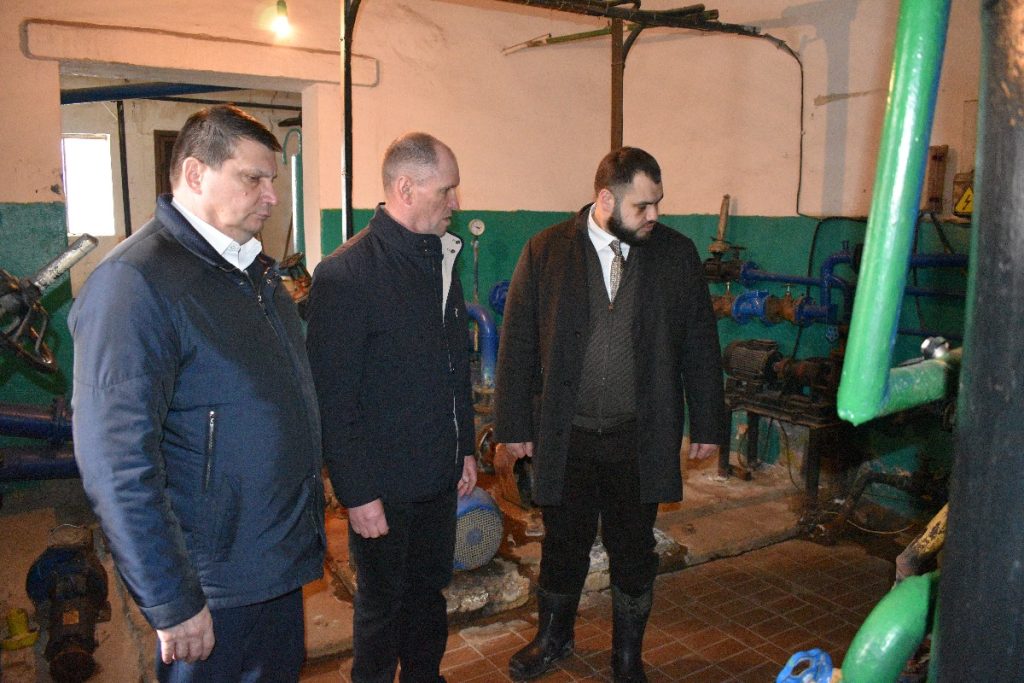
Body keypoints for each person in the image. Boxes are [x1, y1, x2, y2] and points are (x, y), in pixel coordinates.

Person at [69, 104, 326, 682]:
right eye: (253, 178)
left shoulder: (255, 274)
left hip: (271, 562)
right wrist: (170, 598)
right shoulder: (135, 283)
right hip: (210, 582)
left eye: (273, 181)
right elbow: (116, 463)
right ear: (194, 174)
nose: (271, 197)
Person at [494, 147, 727, 682]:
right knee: (563, 544)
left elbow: (699, 340)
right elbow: (518, 342)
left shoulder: (675, 254)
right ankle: (553, 638)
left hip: (638, 436)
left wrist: (708, 422)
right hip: (566, 434)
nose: (654, 216)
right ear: (605, 199)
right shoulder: (546, 250)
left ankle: (627, 656)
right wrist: (514, 427)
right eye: (642, 206)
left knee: (633, 549)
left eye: (658, 203)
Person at [305, 132, 478, 683]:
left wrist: (465, 448)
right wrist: (357, 493)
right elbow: (333, 399)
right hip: (382, 486)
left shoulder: (441, 259)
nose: (455, 202)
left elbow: (454, 366)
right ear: (405, 189)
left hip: (438, 475)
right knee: (381, 608)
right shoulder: (346, 274)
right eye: (446, 190)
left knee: (429, 595)